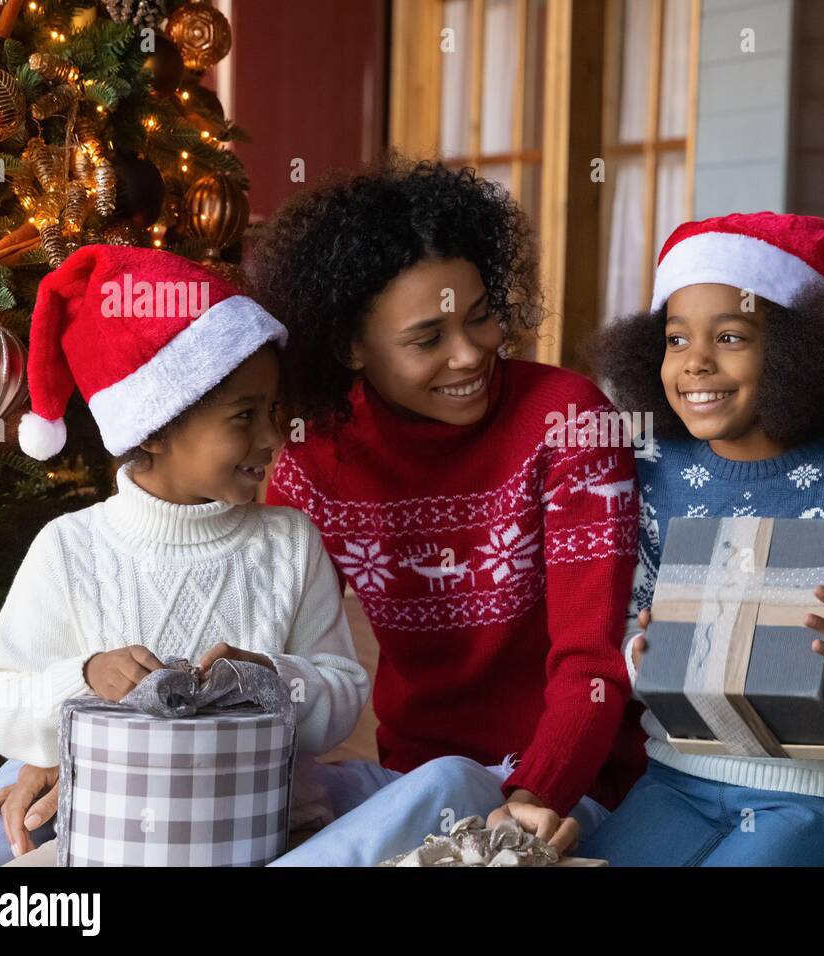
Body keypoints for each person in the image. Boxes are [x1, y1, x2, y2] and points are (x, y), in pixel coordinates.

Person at [254, 157, 646, 866]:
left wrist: (536, 794)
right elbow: (262, 640)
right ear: (349, 346)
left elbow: (595, 659)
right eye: (427, 339)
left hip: (563, 792)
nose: (470, 356)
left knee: (449, 780)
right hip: (408, 783)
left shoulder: (570, 421)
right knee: (291, 797)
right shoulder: (317, 455)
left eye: (481, 317)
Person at [0, 246, 369, 866]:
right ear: (153, 427)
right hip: (104, 825)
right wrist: (85, 678)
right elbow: (5, 704)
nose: (273, 437)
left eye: (274, 411)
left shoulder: (288, 543)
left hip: (257, 828)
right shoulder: (72, 549)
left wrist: (273, 680)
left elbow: (344, 690)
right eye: (245, 416)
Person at [578, 212, 824, 865]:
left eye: (730, 336)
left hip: (817, 797)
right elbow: (620, 635)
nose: (696, 361)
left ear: (798, 351)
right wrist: (641, 656)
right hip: (673, 782)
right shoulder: (652, 466)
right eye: (675, 339)